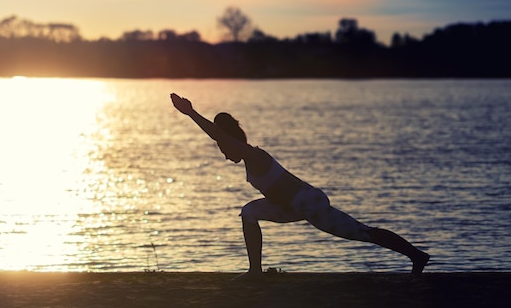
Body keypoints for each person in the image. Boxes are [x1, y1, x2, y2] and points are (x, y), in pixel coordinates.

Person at [170, 93, 429, 280]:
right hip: (289, 206)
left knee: (362, 233)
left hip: (308, 203)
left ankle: (416, 256)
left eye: (223, 148)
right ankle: (255, 272)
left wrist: (191, 113)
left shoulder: (252, 154)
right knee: (249, 212)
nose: (224, 155)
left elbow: (219, 134)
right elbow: (222, 137)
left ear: (229, 142)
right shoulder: (249, 158)